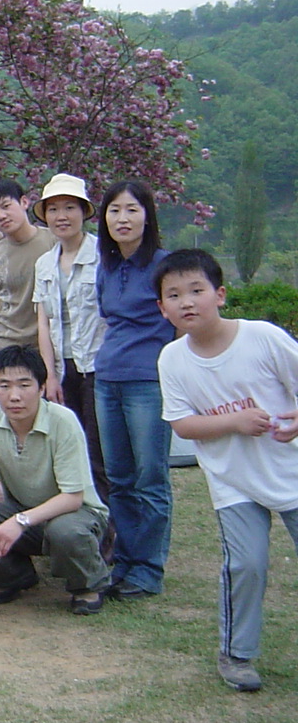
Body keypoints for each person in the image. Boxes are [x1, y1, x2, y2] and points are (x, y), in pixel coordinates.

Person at [154, 248, 298, 691]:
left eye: (196, 290)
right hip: (233, 479)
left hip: (290, 469)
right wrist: (235, 422)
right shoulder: (172, 359)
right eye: (174, 295)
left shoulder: (262, 338)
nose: (186, 302)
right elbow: (183, 424)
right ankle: (237, 654)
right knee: (247, 563)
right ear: (162, 308)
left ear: (219, 294)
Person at [0, 346, 110, 615]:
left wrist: (20, 521)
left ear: (41, 388)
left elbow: (73, 497)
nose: (14, 396)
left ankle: (88, 584)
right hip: (23, 509)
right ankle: (14, 577)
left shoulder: (63, 421)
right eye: (4, 385)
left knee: (66, 531)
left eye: (24, 385)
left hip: (77, 513)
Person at [95, 180, 175, 599]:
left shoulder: (165, 265)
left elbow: (181, 324)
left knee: (150, 478)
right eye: (114, 211)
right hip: (107, 378)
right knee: (120, 478)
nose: (122, 219)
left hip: (148, 381)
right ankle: (124, 562)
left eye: (131, 210)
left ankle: (147, 568)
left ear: (147, 215)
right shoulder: (107, 265)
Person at [32, 173, 108, 500]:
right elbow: (44, 323)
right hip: (64, 369)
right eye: (53, 209)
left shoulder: (104, 255)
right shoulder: (44, 264)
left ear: (84, 212)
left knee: (99, 449)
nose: (61, 216)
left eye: (69, 208)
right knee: (71, 446)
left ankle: (107, 521)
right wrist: (50, 375)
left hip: (99, 366)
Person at [0, 180, 56, 357]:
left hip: (48, 343)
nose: (2, 216)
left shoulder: (54, 242)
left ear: (24, 202)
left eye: (6, 206)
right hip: (5, 344)